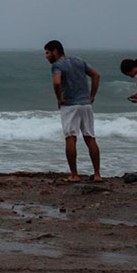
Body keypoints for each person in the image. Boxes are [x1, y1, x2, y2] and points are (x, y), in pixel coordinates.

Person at [44, 40, 102, 182]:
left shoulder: (57, 65)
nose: (46, 56)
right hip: (86, 104)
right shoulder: (79, 61)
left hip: (70, 105)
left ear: (55, 51)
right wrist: (92, 95)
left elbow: (57, 82)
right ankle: (97, 174)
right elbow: (96, 75)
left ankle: (74, 175)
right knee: (90, 138)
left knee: (71, 138)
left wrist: (59, 98)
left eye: (48, 53)